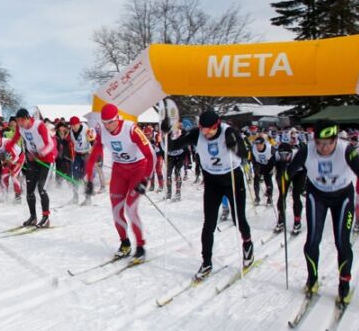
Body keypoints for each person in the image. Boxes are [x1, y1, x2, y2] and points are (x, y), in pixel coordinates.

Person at [286, 122, 359, 305]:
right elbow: (290, 170)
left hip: (342, 197)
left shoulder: (346, 150)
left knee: (342, 243)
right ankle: (312, 278)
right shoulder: (307, 149)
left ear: (336, 140)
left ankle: (344, 283)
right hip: (317, 195)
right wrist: (283, 176)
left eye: (328, 143)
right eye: (320, 143)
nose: (324, 147)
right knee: (312, 239)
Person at [169, 109, 254, 280]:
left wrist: (235, 146)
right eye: (203, 129)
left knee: (239, 219)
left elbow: (245, 154)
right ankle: (206, 261)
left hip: (232, 179)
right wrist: (166, 133)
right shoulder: (197, 134)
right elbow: (173, 147)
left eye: (210, 129)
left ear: (217, 125)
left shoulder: (228, 131)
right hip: (212, 181)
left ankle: (247, 244)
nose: (206, 132)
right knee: (209, 223)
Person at [85, 103, 154, 260]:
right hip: (119, 171)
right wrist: (89, 179)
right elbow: (93, 156)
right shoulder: (102, 132)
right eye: (105, 122)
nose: (108, 126)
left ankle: (141, 246)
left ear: (117, 118)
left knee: (130, 209)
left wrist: (145, 179)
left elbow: (151, 155)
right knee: (116, 211)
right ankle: (125, 243)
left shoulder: (131, 129)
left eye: (111, 122)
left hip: (138, 169)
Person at [6, 107, 56, 228]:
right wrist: (7, 150)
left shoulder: (39, 125)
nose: (19, 124)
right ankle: (33, 217)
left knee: (41, 189)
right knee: (29, 190)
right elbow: (14, 140)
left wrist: (41, 154)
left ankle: (46, 217)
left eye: (21, 121)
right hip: (33, 160)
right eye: (18, 121)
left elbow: (50, 144)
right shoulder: (20, 128)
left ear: (27, 118)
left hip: (46, 159)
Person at [273, 142, 304, 235]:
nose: (284, 157)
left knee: (296, 196)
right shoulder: (277, 156)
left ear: (290, 153)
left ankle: (297, 221)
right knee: (281, 196)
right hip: (286, 174)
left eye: (286, 155)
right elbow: (270, 167)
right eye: (281, 155)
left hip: (299, 173)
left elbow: (308, 168)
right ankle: (281, 219)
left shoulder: (298, 155)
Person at [0, 131, 24, 202]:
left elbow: (15, 157)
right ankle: (4, 195)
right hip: (7, 160)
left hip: (18, 158)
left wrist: (10, 162)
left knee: (14, 176)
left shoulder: (7, 143)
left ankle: (18, 196)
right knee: (3, 177)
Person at [250, 135, 275, 206]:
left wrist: (273, 167)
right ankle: (257, 198)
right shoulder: (253, 149)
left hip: (269, 165)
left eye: (260, 144)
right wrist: (254, 165)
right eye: (257, 144)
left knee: (268, 180)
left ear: (263, 143)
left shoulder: (270, 148)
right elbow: (252, 158)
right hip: (259, 165)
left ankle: (269, 198)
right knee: (256, 181)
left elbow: (275, 157)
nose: (258, 146)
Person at [165, 126, 185, 201]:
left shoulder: (181, 134)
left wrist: (186, 158)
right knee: (168, 174)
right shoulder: (167, 135)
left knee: (177, 172)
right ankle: (169, 192)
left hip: (179, 156)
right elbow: (163, 146)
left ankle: (178, 192)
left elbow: (185, 147)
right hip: (170, 156)